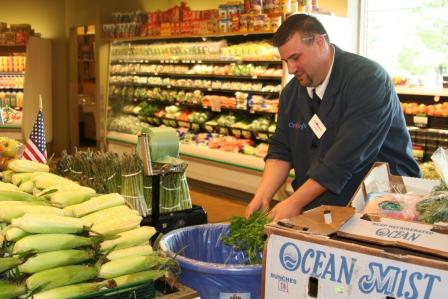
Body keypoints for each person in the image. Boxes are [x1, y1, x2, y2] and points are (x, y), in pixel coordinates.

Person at [245, 13, 421, 221]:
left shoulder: (367, 80)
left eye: (295, 57)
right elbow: (282, 149)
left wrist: (294, 202)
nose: (291, 69)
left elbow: (343, 160)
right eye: (286, 61)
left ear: (320, 42)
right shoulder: (292, 92)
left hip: (382, 207)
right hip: (323, 207)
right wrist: (263, 196)